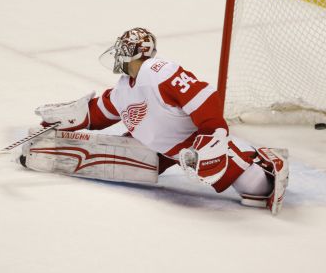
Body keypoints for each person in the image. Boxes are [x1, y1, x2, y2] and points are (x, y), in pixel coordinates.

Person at [21, 27, 288, 214]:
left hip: (191, 143)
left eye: (124, 49)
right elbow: (98, 113)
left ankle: (266, 170)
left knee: (252, 189)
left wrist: (213, 131)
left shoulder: (160, 71)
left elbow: (203, 96)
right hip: (158, 146)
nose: (118, 54)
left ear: (139, 53)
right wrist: (67, 120)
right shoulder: (125, 86)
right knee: (127, 160)